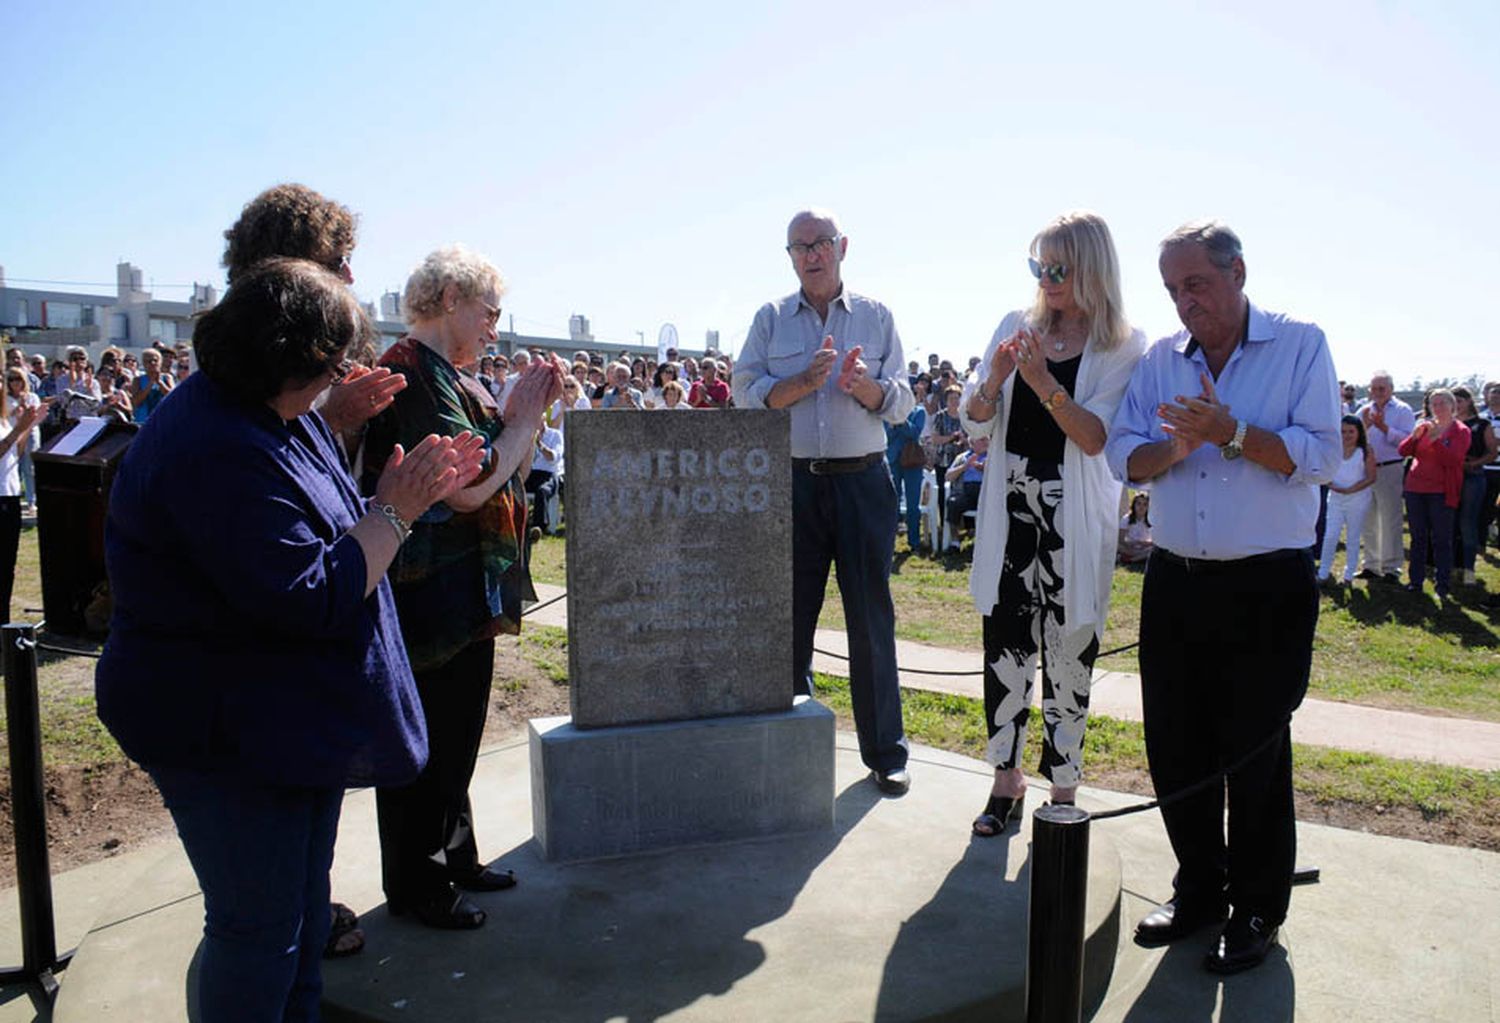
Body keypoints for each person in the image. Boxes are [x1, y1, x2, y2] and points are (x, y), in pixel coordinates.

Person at [95, 259, 485, 1021]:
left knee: (300, 916)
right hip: (222, 730)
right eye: (331, 364)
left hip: (277, 720)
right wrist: (396, 514)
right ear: (286, 358)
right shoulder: (217, 447)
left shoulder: (262, 408)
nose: (340, 377)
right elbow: (313, 593)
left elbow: (316, 520)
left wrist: (342, 429)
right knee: (258, 927)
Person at [1105, 220, 1340, 974]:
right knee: (1176, 745)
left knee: (1255, 752)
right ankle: (1200, 886)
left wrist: (1232, 431)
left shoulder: (1300, 345)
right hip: (1176, 579)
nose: (1184, 302)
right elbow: (1123, 456)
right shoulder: (1158, 364)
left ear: (1238, 272)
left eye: (1196, 284)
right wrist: (1178, 446)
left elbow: (1322, 455)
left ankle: (1258, 904)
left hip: (1266, 583)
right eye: (1173, 289)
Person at [363, 245, 564, 930]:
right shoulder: (410, 373)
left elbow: (511, 466)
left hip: (467, 591)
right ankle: (417, 882)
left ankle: (457, 856)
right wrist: (520, 421)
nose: (495, 328)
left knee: (458, 737)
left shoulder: (457, 377)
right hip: (428, 591)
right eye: (489, 311)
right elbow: (471, 486)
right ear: (450, 297)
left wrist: (524, 421)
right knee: (425, 743)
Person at [961, 210, 1146, 834]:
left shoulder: (1122, 343)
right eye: (1039, 265)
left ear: (1090, 268)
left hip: (1073, 522)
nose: (1046, 277)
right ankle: (1004, 779)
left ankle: (1063, 787)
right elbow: (973, 421)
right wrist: (994, 379)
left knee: (1070, 653)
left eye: (1059, 266)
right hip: (1009, 512)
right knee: (1005, 646)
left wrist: (1041, 382)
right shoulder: (1017, 327)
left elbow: (1096, 438)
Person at [732, 207, 915, 795]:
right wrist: (802, 385)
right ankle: (788, 744)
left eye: (820, 243)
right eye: (799, 246)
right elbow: (744, 392)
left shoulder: (877, 315)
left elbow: (905, 400)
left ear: (842, 247)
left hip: (863, 481)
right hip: (794, 485)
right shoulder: (769, 319)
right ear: (789, 257)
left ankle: (886, 752)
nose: (811, 254)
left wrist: (867, 389)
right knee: (790, 618)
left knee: (870, 619)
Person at [1398, 389, 1469, 599]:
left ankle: (1442, 585)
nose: (1437, 408)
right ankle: (1415, 581)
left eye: (1441, 403)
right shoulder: (1423, 424)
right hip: (1415, 488)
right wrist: (1415, 437)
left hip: (1441, 491)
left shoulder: (1460, 430)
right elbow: (1403, 451)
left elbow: (1454, 461)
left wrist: (1435, 440)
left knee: (1442, 539)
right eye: (1433, 404)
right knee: (1418, 537)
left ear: (1452, 406)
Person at [1355, 372, 1415, 582]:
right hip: (1365, 469)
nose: (1377, 393)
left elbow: (1408, 442)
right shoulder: (1363, 410)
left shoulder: (1402, 410)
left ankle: (1391, 567)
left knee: (1391, 518)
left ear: (1391, 389)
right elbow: (1352, 438)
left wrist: (1383, 428)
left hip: (1390, 468)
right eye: (1374, 388)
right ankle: (1371, 564)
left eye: (1382, 388)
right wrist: (1364, 426)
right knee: (1367, 518)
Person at [1, 381, 50, 614]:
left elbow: (15, 453)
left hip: (9, 495)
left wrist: (30, 425)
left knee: (7, 565)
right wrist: (18, 428)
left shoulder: (3, 420)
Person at [1317, 415, 1377, 584]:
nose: (1347, 435)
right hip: (1335, 498)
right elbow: (1324, 472)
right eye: (1343, 431)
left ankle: (1349, 575)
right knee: (1330, 535)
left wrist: (1351, 489)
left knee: (1353, 536)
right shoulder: (1333, 449)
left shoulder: (1365, 450)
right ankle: (1323, 573)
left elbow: (1371, 477)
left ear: (1359, 432)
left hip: (1357, 499)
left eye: (1351, 431)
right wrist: (1331, 485)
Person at [1453, 386, 1497, 584]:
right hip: (1450, 477)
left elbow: (1492, 452)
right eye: (1453, 401)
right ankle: (1454, 565)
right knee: (1451, 523)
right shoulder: (1448, 424)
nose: (1457, 405)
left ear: (1469, 401)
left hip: (1472, 476)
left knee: (1467, 522)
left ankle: (1468, 569)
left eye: (1460, 401)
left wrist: (1474, 464)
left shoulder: (1482, 424)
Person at [885, 400, 928, 551]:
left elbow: (914, 433)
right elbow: (886, 436)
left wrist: (900, 422)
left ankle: (914, 542)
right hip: (893, 461)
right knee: (891, 504)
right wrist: (897, 425)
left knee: (912, 505)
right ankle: (889, 543)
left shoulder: (919, 411)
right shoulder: (888, 413)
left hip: (913, 462)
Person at [6, 369, 43, 513]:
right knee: (12, 466)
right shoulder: (5, 399)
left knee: (29, 468)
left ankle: (31, 500)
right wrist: (15, 412)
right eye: (12, 379)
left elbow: (36, 415)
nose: (16, 382)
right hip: (12, 434)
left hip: (30, 434)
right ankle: (13, 497)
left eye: (19, 379)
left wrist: (24, 404)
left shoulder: (32, 397)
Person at [943, 435, 987, 549]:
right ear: (972, 443)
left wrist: (986, 469)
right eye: (982, 439)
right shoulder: (962, 457)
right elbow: (948, 477)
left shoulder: (992, 457)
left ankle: (986, 543)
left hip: (986, 493)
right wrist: (965, 466)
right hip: (965, 492)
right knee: (953, 503)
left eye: (987, 439)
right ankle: (955, 542)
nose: (986, 442)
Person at [1118, 492, 1153, 564]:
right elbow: (1121, 539)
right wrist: (1130, 543)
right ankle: (1138, 558)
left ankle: (1131, 560)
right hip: (1129, 547)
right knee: (1117, 545)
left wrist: (1145, 543)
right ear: (1134, 505)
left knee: (1153, 549)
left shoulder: (1151, 519)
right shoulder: (1127, 518)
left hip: (1144, 548)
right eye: (1139, 503)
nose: (1141, 507)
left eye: (1145, 504)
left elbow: (1155, 541)